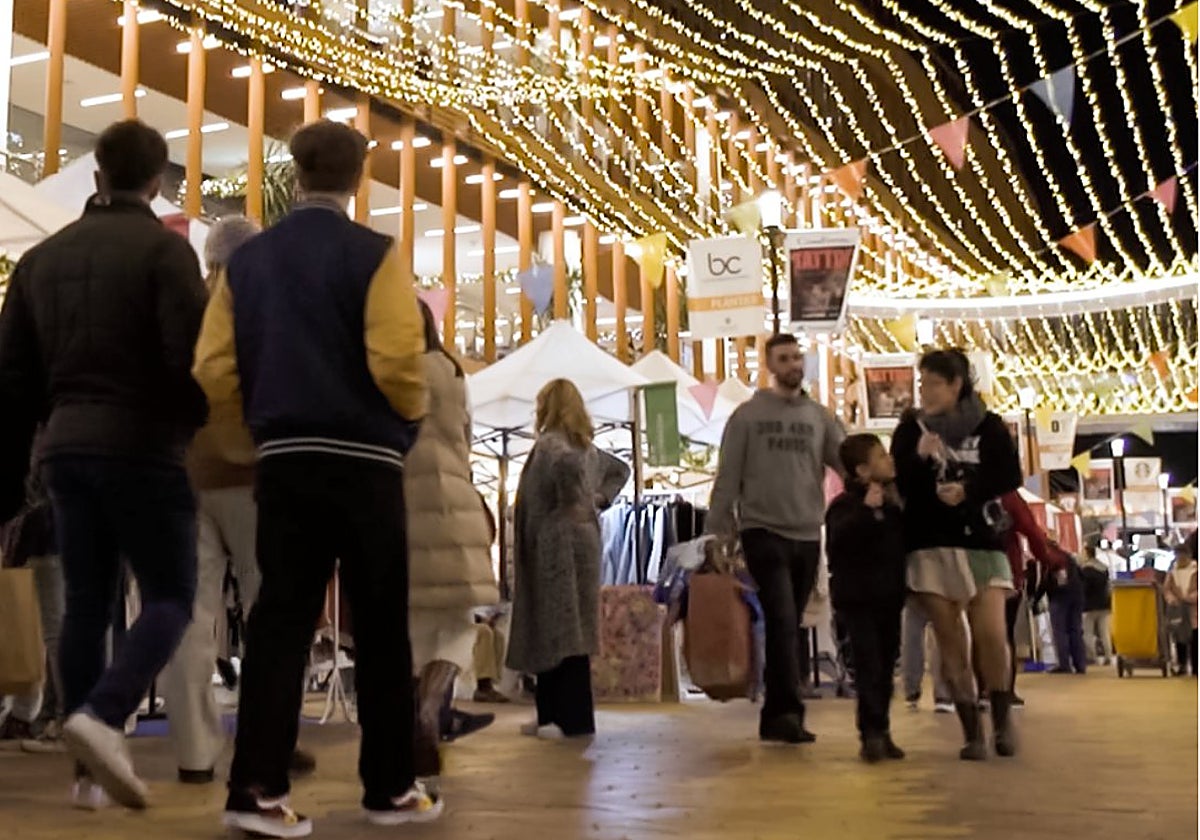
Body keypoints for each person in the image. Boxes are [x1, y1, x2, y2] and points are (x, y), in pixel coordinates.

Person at [194, 119, 436, 837]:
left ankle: (255, 789)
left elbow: (212, 368)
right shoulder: (376, 255)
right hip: (365, 462)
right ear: (357, 179)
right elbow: (398, 360)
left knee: (280, 625)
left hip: (284, 459)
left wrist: (255, 428)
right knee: (382, 625)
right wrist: (407, 423)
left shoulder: (247, 264)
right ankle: (389, 788)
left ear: (294, 177)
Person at [0, 120, 208, 808]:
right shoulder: (166, 255)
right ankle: (102, 713)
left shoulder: (39, 262)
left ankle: (85, 777)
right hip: (144, 447)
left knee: (86, 602)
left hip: (63, 449)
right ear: (158, 182)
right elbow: (191, 364)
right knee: (172, 593)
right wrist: (189, 426)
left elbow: (13, 384)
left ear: (97, 177)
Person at [158, 216, 317, 786]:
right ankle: (270, 739)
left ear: (209, 261)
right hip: (257, 477)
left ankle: (195, 754)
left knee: (188, 617)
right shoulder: (272, 310)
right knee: (274, 613)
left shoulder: (180, 308)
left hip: (184, 476)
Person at [707, 332, 844, 744]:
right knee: (782, 619)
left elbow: (846, 462)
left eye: (797, 358)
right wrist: (715, 532)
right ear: (770, 365)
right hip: (762, 530)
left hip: (806, 531)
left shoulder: (819, 418)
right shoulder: (747, 417)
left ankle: (777, 715)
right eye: (784, 358)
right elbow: (728, 476)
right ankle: (788, 712)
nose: (793, 365)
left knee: (793, 622)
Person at [891, 349, 1022, 760]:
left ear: (955, 385)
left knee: (992, 637)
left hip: (981, 541)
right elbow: (902, 484)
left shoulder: (989, 426)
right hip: (930, 544)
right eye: (922, 382)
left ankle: (1001, 723)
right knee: (951, 642)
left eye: (933, 382)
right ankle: (971, 734)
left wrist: (968, 490)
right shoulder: (911, 429)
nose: (924, 391)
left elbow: (1009, 475)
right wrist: (920, 457)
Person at [506, 379, 630, 740]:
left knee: (556, 628)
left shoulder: (552, 446)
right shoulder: (586, 447)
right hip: (583, 540)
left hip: (555, 543)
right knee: (573, 627)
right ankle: (561, 716)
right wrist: (598, 500)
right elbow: (620, 470)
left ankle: (562, 717)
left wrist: (573, 500)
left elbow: (566, 470)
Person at [406, 299, 499, 773]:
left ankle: (411, 721)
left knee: (413, 627)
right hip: (454, 502)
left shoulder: (389, 370)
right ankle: (430, 709)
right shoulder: (451, 371)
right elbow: (464, 434)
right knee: (460, 626)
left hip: (402, 503)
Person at [825, 434, 907, 763]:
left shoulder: (893, 506)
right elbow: (837, 546)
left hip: (889, 597)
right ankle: (870, 733)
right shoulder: (844, 507)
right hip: (858, 600)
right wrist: (865, 512)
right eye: (881, 456)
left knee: (886, 666)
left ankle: (883, 729)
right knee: (868, 664)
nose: (889, 460)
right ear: (862, 470)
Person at [900, 601, 954, 714]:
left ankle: (911, 691)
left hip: (912, 588)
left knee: (911, 630)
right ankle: (943, 695)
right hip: (941, 589)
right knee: (940, 634)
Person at [1040, 552, 1087, 675]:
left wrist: (1035, 598)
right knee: (1076, 630)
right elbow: (1082, 576)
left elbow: (1045, 582)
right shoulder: (1069, 558)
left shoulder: (1050, 559)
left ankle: (1064, 664)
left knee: (1060, 631)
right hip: (1077, 595)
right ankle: (1080, 665)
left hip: (1059, 597)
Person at [1164, 533, 1198, 677]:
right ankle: (1182, 665)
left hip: (1194, 611)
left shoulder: (1196, 570)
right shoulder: (1172, 572)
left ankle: (1196, 667)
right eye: (1178, 556)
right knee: (1180, 639)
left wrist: (1190, 598)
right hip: (1179, 611)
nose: (1180, 559)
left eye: (1182, 555)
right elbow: (1167, 589)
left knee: (1195, 639)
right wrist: (1172, 599)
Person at [1080, 547, 1114, 667]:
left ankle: (1092, 656)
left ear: (1087, 554)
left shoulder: (1085, 570)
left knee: (1087, 633)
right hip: (1104, 604)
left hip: (1089, 606)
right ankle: (1108, 656)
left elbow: (1084, 588)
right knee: (1104, 632)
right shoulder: (1104, 568)